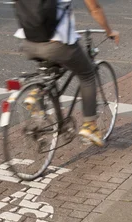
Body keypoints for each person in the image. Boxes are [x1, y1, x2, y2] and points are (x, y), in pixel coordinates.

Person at [14, 0, 120, 146]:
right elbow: (94, 8)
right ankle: (90, 126)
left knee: (52, 68)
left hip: (28, 42)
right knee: (87, 74)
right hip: (57, 42)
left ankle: (38, 91)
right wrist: (109, 31)